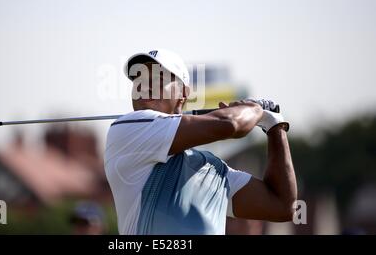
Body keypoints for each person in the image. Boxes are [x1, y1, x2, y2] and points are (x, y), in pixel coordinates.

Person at [104, 49, 297, 235]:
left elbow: (282, 206)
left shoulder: (213, 168)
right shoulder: (128, 129)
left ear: (183, 95)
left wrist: (275, 128)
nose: (144, 86)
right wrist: (256, 110)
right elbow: (230, 124)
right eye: (139, 79)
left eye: (157, 80)